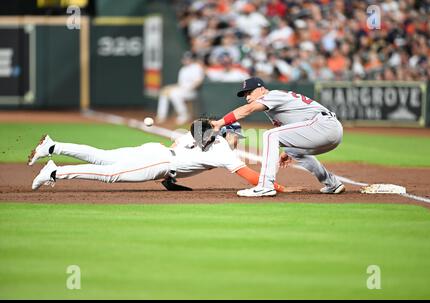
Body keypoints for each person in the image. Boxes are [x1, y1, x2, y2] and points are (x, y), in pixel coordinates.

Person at [28, 120, 296, 193]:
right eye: (238, 135)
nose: (239, 140)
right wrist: (278, 187)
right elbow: (250, 177)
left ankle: (53, 146)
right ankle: (55, 172)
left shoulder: (202, 136)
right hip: (160, 162)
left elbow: (177, 140)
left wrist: (172, 177)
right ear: (229, 133)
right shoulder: (223, 149)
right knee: (110, 175)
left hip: (154, 152)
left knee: (102, 157)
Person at [211, 77, 345, 197]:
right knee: (293, 150)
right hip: (327, 131)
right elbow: (289, 132)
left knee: (270, 135)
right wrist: (287, 151)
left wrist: (220, 122)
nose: (247, 97)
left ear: (262, 89)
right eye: (245, 94)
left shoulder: (272, 95)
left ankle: (265, 186)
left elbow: (248, 109)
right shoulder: (272, 108)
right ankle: (333, 184)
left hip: (324, 125)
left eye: (250, 92)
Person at [156, 52, 204, 125]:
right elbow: (180, 84)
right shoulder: (183, 69)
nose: (186, 60)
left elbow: (199, 81)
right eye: (185, 59)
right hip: (182, 90)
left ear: (192, 59)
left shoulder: (196, 67)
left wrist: (188, 88)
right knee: (164, 92)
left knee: (174, 94)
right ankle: (161, 116)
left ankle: (184, 115)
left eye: (188, 59)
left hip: (192, 91)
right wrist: (170, 87)